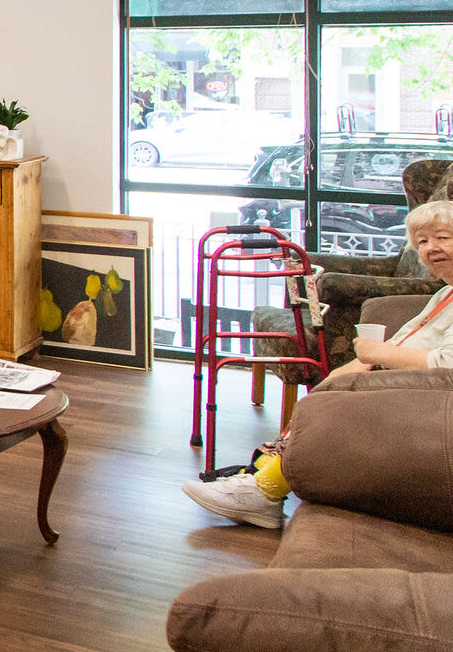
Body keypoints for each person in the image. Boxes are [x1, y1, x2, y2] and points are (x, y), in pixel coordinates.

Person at [183, 199, 453, 528]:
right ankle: (258, 482)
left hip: (429, 399)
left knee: (334, 403)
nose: (430, 248)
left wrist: (372, 355)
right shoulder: (443, 295)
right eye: (422, 241)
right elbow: (399, 346)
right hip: (399, 385)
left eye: (443, 237)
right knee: (323, 398)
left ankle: (263, 489)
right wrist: (341, 377)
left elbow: (445, 364)